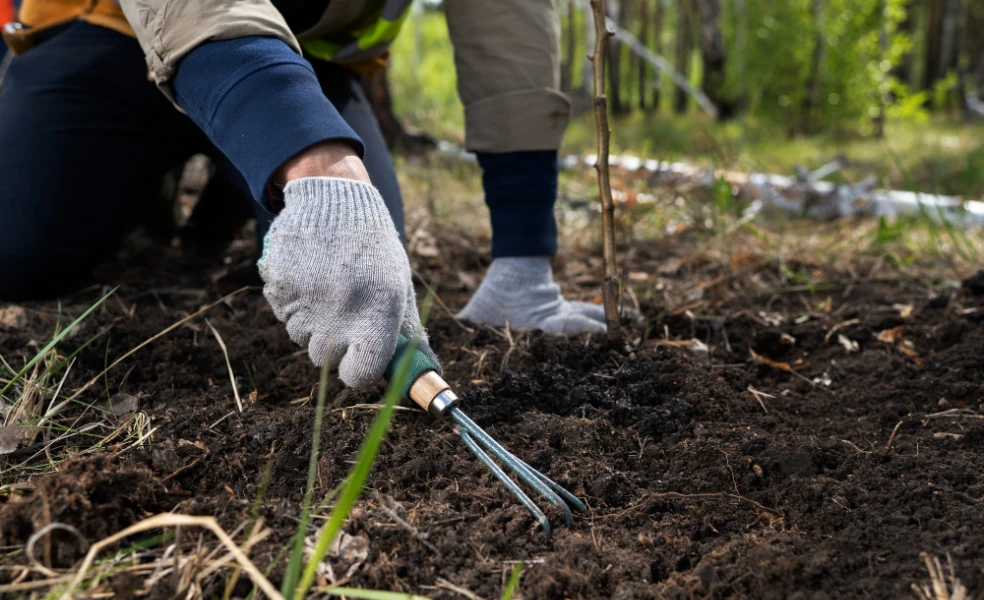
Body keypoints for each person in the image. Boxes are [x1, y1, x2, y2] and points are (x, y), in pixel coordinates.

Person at [0, 0, 608, 389]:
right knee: (20, 249)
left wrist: (523, 257)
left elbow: (508, 25)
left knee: (362, 285)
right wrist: (317, 161)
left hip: (305, 60)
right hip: (115, 36)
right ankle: (152, 183)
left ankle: (239, 177)